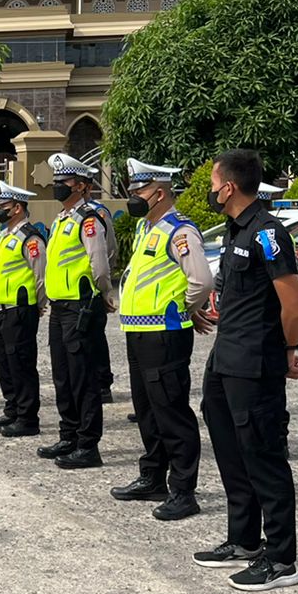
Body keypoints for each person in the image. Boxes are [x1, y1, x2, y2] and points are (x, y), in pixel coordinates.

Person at [192, 149, 298, 591]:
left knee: (263, 456)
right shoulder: (236, 230)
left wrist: (287, 350)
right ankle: (243, 540)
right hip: (226, 357)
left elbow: (294, 304)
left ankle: (281, 560)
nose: (209, 189)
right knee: (230, 451)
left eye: (212, 182)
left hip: (254, 363)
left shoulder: (268, 233)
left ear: (229, 187)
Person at [112, 159, 212, 520]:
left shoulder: (180, 231)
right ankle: (152, 475)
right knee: (146, 409)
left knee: (171, 411)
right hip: (139, 331)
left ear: (159, 192)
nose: (134, 196)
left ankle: (184, 490)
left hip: (164, 334)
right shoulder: (145, 228)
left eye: (139, 190)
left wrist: (182, 309)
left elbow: (201, 280)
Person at [37, 153, 117, 470]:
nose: (58, 186)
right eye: (56, 181)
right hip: (61, 307)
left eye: (64, 182)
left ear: (82, 186)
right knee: (63, 376)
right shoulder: (62, 219)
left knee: (83, 378)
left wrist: (104, 293)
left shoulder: (89, 219)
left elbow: (101, 261)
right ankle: (68, 434)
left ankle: (87, 445)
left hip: (81, 306)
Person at [0, 184, 46, 437]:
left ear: (17, 208)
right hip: (0, 309)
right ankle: (13, 409)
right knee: (6, 363)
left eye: (3, 207)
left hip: (19, 310)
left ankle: (28, 418)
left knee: (21, 364)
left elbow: (40, 275)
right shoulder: (6, 235)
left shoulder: (29, 237)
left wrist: (38, 306)